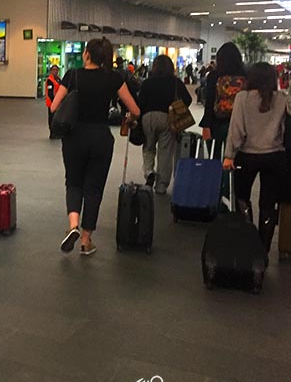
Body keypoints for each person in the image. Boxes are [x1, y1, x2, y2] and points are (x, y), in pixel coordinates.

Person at [51, 37, 140, 256]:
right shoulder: (113, 77)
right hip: (100, 136)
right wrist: (128, 118)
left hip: (74, 137)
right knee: (94, 187)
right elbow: (135, 110)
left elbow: (54, 106)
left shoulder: (72, 75)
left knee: (73, 182)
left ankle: (73, 225)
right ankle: (86, 239)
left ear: (87, 55)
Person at [223, 63, 291, 257]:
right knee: (268, 204)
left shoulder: (242, 98)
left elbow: (236, 129)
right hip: (275, 157)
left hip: (247, 156)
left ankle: (247, 242)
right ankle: (263, 251)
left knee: (242, 197)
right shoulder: (283, 98)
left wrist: (229, 155)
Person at [137, 55, 192, 195]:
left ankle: (149, 172)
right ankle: (161, 186)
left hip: (148, 117)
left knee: (148, 147)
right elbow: (188, 99)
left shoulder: (147, 82)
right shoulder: (175, 82)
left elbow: (140, 103)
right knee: (165, 152)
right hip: (167, 117)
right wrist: (176, 108)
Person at [199, 42, 246, 159]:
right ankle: (229, 177)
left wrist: (206, 125)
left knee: (214, 158)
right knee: (233, 159)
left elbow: (209, 101)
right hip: (239, 123)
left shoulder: (214, 75)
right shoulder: (245, 75)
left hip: (216, 122)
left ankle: (218, 177)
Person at [45, 65, 62, 139]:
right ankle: (52, 133)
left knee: (57, 118)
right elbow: (50, 93)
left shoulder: (58, 79)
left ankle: (56, 133)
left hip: (58, 103)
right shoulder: (50, 80)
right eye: (54, 70)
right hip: (52, 103)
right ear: (51, 71)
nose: (55, 71)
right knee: (52, 119)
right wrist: (55, 103)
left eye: (57, 70)